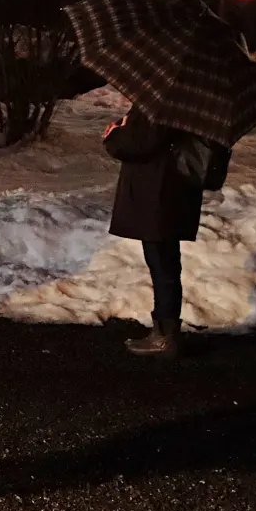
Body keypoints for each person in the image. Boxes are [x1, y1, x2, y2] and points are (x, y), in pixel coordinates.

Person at [103, 107, 204, 357]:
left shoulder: (162, 102)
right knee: (165, 263)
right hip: (171, 188)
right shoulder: (186, 101)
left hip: (158, 191)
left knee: (162, 264)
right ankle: (165, 331)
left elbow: (139, 142)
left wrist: (114, 134)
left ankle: (165, 336)